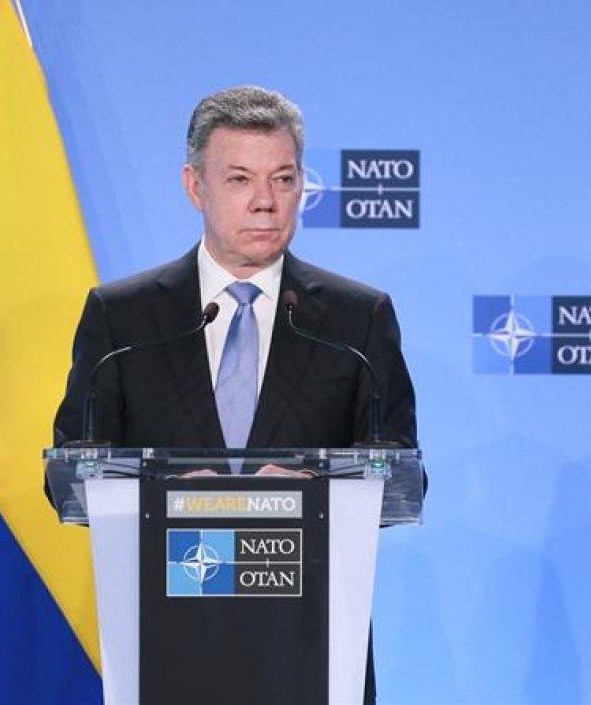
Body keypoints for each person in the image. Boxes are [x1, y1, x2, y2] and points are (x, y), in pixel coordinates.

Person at [52, 85, 414, 704]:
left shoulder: (357, 320)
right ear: (196, 187)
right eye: (241, 179)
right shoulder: (123, 320)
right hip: (170, 640)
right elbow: (73, 471)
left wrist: (310, 491)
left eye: (284, 178)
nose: (266, 203)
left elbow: (401, 475)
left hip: (309, 645)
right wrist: (168, 496)